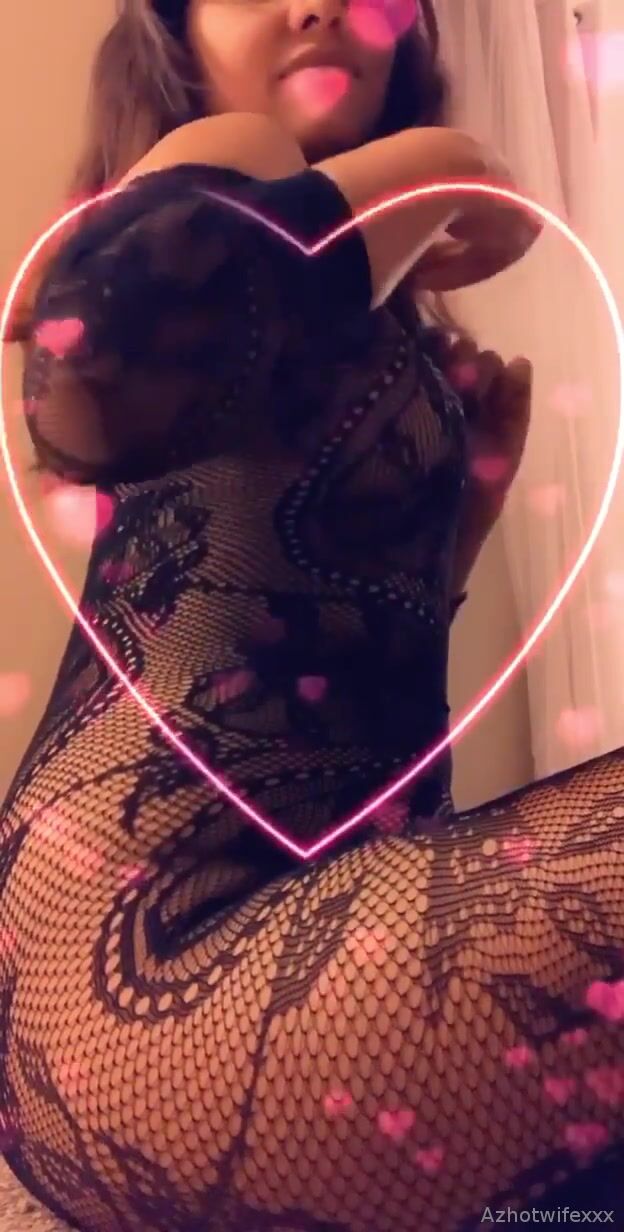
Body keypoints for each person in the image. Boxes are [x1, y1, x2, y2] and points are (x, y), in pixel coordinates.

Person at [1, 0, 623, 1229]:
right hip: (146, 961)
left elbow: (324, 702)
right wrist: (450, 162)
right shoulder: (223, 156)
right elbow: (85, 372)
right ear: (174, 35)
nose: (320, 4)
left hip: (214, 969)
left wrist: (454, 528)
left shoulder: (349, 315)